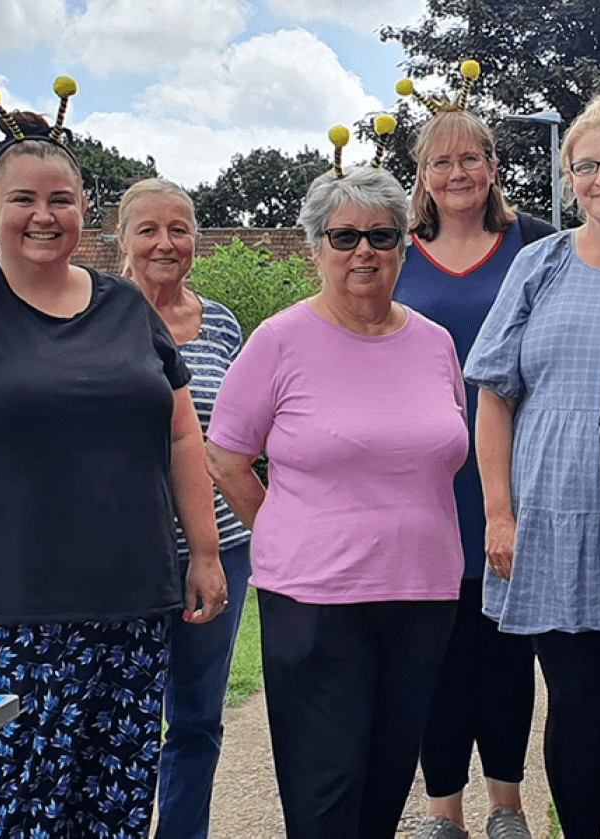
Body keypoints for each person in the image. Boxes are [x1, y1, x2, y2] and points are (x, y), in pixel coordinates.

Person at [0, 96, 225, 837]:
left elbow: (182, 438)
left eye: (61, 199)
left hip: (133, 604)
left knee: (119, 799)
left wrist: (203, 551)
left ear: (84, 209)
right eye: (23, 199)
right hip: (10, 610)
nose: (43, 214)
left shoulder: (127, 307)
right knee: (23, 801)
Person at [205, 165, 466, 839]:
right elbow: (227, 458)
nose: (365, 251)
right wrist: (290, 527)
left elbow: (444, 448)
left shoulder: (435, 344)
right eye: (344, 235)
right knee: (326, 797)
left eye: (383, 234)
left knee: (384, 786)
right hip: (316, 600)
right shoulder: (279, 340)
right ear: (315, 246)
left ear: (404, 244)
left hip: (422, 597)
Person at [464, 96, 600, 839]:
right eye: (587, 164)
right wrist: (499, 510)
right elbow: (493, 392)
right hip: (553, 516)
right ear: (569, 176)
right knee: (576, 703)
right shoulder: (539, 263)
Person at [395, 106, 554, 839]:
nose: (456, 173)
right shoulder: (395, 254)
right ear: (422, 177)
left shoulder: (535, 247)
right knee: (435, 649)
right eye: (440, 161)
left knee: (504, 647)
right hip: (423, 485)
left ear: (493, 166)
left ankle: (507, 805)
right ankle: (442, 810)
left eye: (470, 158)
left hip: (513, 481)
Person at [116, 178, 252, 839]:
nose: (166, 243)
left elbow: (245, 431)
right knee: (124, 716)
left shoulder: (224, 322)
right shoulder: (96, 316)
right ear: (121, 239)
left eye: (180, 229)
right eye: (148, 229)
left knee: (197, 718)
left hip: (220, 547)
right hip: (125, 555)